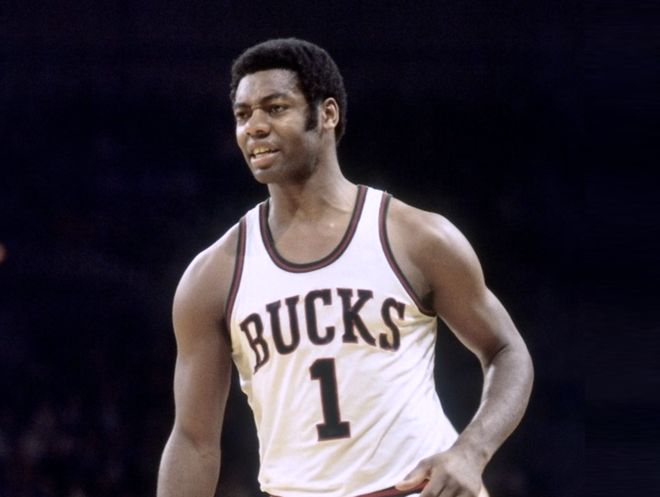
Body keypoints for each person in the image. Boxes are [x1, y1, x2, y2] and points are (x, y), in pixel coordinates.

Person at [157, 38, 533, 497]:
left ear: (327, 114)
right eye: (242, 114)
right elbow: (193, 441)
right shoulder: (212, 276)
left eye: (275, 108)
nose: (254, 127)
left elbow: (506, 350)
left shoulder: (415, 238)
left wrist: (471, 452)